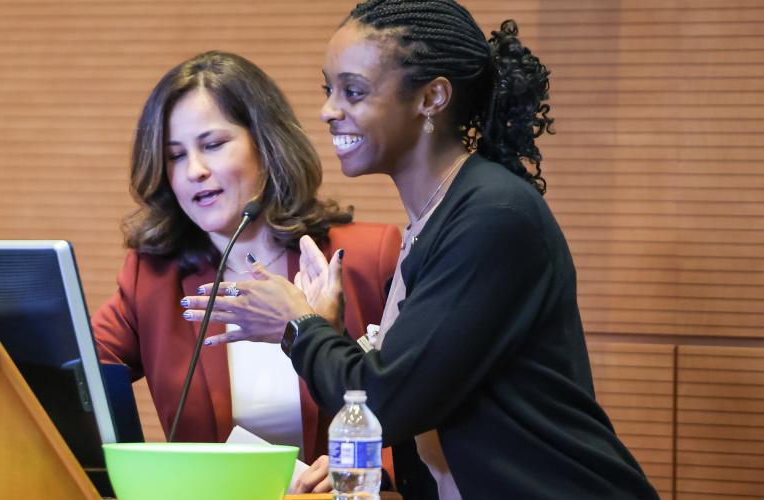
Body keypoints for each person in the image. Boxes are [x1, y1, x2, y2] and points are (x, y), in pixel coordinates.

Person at [181, 2, 660, 499]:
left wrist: (299, 326)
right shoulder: (439, 219)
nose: (328, 110)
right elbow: (416, 395)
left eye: (354, 91)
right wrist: (323, 329)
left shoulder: (493, 216)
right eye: (329, 90)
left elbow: (385, 404)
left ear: (432, 97)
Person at [90, 50, 400, 482]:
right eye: (175, 155)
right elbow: (77, 375)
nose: (194, 170)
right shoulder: (153, 279)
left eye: (213, 145)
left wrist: (366, 464)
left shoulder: (367, 256)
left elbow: (425, 404)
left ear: (266, 145)